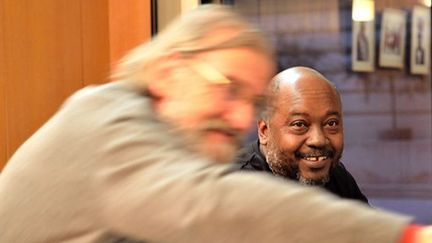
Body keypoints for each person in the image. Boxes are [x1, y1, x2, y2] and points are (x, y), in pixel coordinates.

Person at [0, 4, 430, 243]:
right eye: (228, 88)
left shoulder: (163, 147)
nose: (242, 117)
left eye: (250, 100)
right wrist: (408, 236)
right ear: (170, 71)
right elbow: (214, 205)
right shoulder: (104, 122)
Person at [234, 66, 368, 204]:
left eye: (331, 123)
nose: (319, 140)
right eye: (299, 124)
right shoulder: (237, 187)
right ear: (264, 131)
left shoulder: (336, 176)